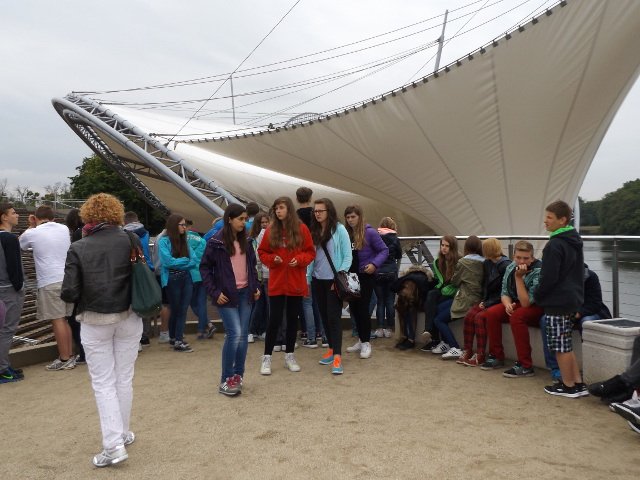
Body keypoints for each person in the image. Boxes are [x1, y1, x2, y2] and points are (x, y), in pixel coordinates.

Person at [60, 193, 143, 467]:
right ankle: (122, 433)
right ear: (117, 213)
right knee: (124, 378)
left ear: (87, 215)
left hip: (95, 318)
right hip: (130, 314)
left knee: (103, 383)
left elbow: (69, 291)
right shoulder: (130, 238)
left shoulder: (78, 247)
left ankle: (113, 445)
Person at [200, 204, 260, 396]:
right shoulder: (215, 242)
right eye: (240, 219)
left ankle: (237, 376)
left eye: (245, 219)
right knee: (235, 334)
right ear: (229, 219)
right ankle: (226, 379)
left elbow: (252, 267)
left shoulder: (247, 241)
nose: (244, 222)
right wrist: (215, 292)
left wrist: (255, 287)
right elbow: (204, 268)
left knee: (242, 336)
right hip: (226, 295)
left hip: (245, 293)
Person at [535, 200, 588, 397]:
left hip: (557, 301)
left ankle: (568, 385)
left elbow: (548, 277)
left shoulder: (555, 245)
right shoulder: (573, 241)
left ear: (562, 220)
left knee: (559, 346)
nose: (545, 221)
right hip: (571, 299)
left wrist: (538, 295)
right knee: (566, 344)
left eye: (549, 217)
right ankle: (577, 383)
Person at [258, 196, 315, 375]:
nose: (278, 211)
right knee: (274, 320)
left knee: (292, 320)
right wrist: (272, 259)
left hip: (295, 282)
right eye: (276, 208)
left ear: (289, 209)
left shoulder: (301, 229)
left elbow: (310, 252)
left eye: (281, 208)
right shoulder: (271, 230)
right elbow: (262, 252)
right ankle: (266, 357)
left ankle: (290, 355)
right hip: (277, 282)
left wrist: (299, 260)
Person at [19, 205, 74, 370]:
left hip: (50, 281)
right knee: (64, 319)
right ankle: (70, 355)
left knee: (57, 320)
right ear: (53, 218)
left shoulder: (32, 232)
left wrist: (31, 226)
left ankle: (64, 359)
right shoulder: (64, 229)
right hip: (68, 279)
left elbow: (19, 245)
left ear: (36, 218)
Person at [478, 240, 543, 378]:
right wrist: (507, 304)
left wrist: (519, 277)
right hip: (516, 302)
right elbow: (505, 292)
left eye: (526, 258)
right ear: (514, 257)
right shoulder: (511, 267)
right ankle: (496, 356)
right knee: (491, 313)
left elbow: (526, 303)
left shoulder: (538, 270)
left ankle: (525, 365)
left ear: (532, 258)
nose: (521, 261)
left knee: (517, 317)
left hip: (536, 305)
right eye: (518, 257)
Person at [540, 264, 612, 382]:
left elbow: (595, 303)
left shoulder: (590, 276)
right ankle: (556, 368)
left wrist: (575, 315)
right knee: (545, 320)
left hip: (589, 311)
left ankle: (591, 368)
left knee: (587, 322)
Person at [309, 198, 352, 374]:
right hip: (317, 279)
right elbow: (312, 256)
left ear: (329, 212)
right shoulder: (314, 230)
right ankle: (331, 349)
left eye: (321, 211)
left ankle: (337, 357)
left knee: (334, 318)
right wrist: (308, 277)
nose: (317, 213)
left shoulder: (339, 229)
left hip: (334, 280)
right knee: (324, 316)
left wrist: (339, 276)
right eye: (315, 211)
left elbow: (348, 256)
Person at [344, 205, 388, 360]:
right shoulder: (347, 233)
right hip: (351, 276)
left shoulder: (369, 232)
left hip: (365, 275)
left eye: (353, 217)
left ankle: (366, 342)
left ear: (360, 216)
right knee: (354, 309)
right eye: (348, 217)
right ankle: (361, 339)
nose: (350, 220)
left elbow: (384, 250)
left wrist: (374, 264)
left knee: (363, 309)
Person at [458, 238, 509, 366]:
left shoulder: (505, 265)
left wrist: (487, 303)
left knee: (479, 318)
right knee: (469, 315)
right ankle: (468, 349)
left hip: (499, 301)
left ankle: (480, 354)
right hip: (488, 300)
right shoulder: (487, 263)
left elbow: (504, 290)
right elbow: (486, 284)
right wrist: (484, 300)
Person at [438, 235, 484, 360]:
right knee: (440, 308)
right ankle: (446, 344)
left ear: (466, 247)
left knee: (439, 319)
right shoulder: (484, 262)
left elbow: (455, 281)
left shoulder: (463, 262)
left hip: (465, 299)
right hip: (478, 298)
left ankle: (455, 347)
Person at [158, 214, 199, 352]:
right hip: (172, 279)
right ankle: (175, 338)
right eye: (182, 225)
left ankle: (177, 339)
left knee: (182, 310)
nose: (184, 227)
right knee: (176, 309)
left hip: (186, 278)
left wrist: (179, 263)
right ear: (174, 226)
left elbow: (194, 261)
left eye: (184, 225)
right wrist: (185, 261)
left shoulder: (185, 241)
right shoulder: (164, 241)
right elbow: (167, 262)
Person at [420, 236, 460, 353]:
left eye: (447, 246)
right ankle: (429, 332)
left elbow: (458, 283)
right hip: (442, 289)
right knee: (431, 294)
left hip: (452, 292)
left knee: (433, 305)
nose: (444, 248)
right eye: (442, 245)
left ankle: (435, 339)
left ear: (452, 247)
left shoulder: (458, 261)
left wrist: (446, 288)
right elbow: (439, 279)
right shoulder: (438, 261)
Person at [0, 203, 25, 383]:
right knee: (7, 330)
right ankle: (2, 369)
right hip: (9, 289)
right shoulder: (9, 238)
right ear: (4, 217)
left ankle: (4, 364)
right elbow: (14, 266)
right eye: (13, 213)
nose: (17, 215)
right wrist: (19, 286)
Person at [123, 211, 154, 348]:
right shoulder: (145, 233)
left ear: (125, 222)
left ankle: (136, 339)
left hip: (131, 271)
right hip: (146, 269)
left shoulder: (124, 234)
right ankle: (145, 336)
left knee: (132, 305)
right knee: (145, 303)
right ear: (137, 220)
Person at [392, 266, 434, 350]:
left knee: (410, 310)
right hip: (414, 292)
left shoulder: (419, 283)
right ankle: (407, 338)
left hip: (417, 294)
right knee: (405, 309)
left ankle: (409, 339)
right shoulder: (408, 281)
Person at [373, 217, 402, 339]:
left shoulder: (376, 237)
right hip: (391, 272)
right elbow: (399, 255)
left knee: (380, 301)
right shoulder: (395, 238)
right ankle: (389, 328)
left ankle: (380, 328)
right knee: (390, 301)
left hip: (378, 272)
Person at [64, 208, 86, 364]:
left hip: (81, 282)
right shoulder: (85, 231)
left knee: (74, 319)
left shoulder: (78, 234)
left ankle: (83, 353)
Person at [248, 212, 270, 342]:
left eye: (266, 222)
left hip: (266, 275)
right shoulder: (252, 240)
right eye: (262, 222)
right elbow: (256, 259)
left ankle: (262, 330)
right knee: (257, 305)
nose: (264, 224)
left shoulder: (269, 236)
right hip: (257, 276)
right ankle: (250, 331)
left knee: (265, 305)